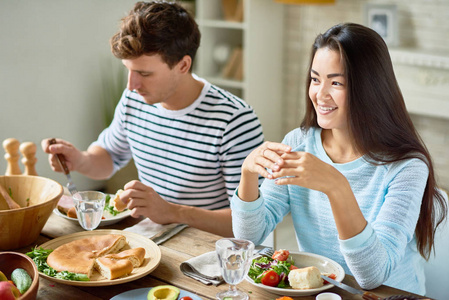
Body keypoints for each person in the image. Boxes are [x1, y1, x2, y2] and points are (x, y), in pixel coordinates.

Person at [231, 23, 447, 294]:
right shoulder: (298, 144)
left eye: (336, 82)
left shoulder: (408, 167)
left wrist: (336, 186)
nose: (320, 94)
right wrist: (248, 175)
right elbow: (246, 238)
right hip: (322, 292)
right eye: (315, 79)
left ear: (369, 88)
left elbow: (372, 276)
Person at [42, 1, 263, 237]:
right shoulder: (134, 99)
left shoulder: (235, 121)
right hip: (153, 240)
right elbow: (109, 156)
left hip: (211, 253)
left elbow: (251, 226)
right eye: (128, 70)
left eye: (144, 73)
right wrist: (80, 160)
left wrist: (172, 212)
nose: (131, 85)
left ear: (183, 65)